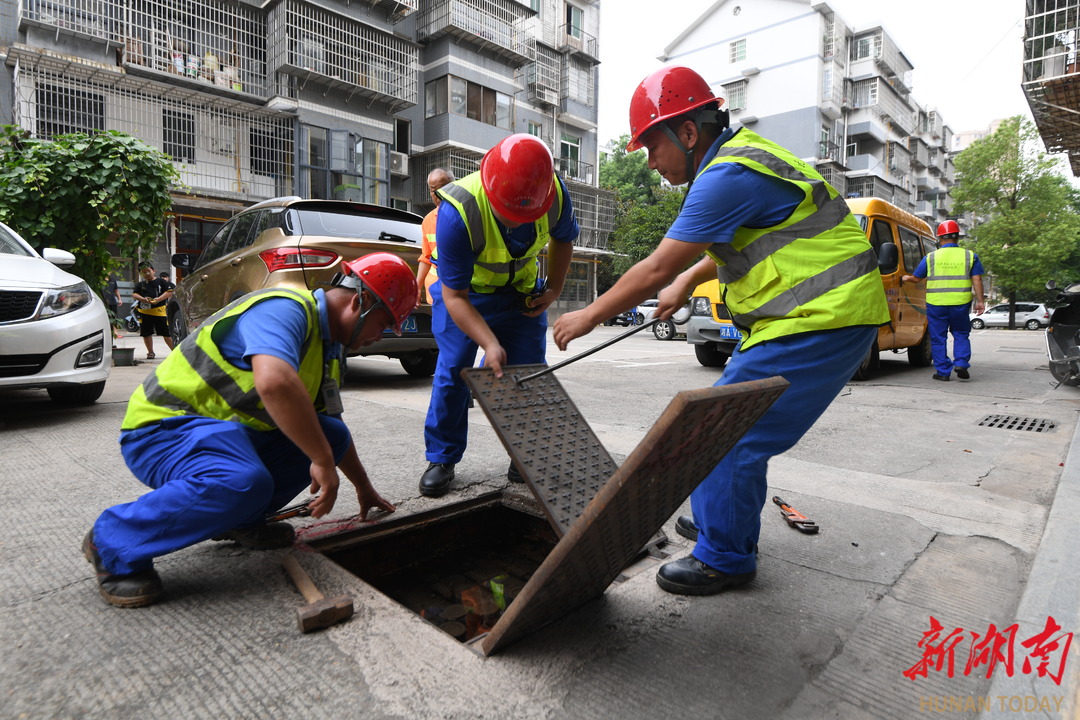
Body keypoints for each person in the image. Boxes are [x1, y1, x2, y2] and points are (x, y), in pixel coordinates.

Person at [552, 66, 890, 596]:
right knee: (722, 425)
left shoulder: (724, 178)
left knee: (724, 434)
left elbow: (654, 268)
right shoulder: (743, 159)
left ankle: (725, 557)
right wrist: (689, 279)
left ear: (688, 133)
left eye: (651, 146)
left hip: (823, 319)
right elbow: (734, 247)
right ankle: (721, 518)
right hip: (816, 318)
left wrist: (585, 315)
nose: (651, 161)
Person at [82, 253, 417, 608]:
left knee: (330, 434)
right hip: (163, 430)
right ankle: (112, 541)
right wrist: (320, 460)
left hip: (223, 436)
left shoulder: (328, 351)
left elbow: (331, 429)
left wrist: (363, 487)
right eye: (382, 325)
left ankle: (239, 519)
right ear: (359, 302)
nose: (378, 338)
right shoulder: (284, 308)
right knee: (244, 480)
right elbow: (274, 382)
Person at [419, 134, 579, 498]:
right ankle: (442, 457)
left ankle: (521, 456)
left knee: (526, 374)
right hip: (466, 294)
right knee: (454, 369)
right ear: (491, 191)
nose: (520, 222)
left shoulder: (553, 192)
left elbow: (563, 239)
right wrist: (488, 343)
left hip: (521, 292)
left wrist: (552, 289)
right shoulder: (457, 211)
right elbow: (455, 295)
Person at [901, 220, 985, 380]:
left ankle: (943, 372)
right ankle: (960, 363)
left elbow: (917, 278)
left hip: (936, 304)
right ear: (957, 237)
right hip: (960, 303)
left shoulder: (931, 257)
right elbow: (977, 280)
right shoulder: (969, 256)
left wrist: (906, 278)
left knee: (938, 337)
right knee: (961, 334)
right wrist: (980, 301)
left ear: (940, 238)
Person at [417, 168, 455, 304]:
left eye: (443, 187)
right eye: (433, 190)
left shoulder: (466, 216)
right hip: (435, 296)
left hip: (460, 294)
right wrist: (417, 286)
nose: (438, 194)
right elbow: (426, 257)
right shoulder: (428, 220)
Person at [131, 262, 174, 359]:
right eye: (143, 272)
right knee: (146, 333)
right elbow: (134, 294)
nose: (147, 274)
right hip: (144, 312)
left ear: (153, 271)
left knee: (165, 333)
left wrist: (158, 299)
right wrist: (143, 299)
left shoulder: (161, 282)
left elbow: (169, 292)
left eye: (148, 271)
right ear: (140, 274)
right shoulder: (140, 284)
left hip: (159, 311)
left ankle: (175, 351)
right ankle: (150, 352)